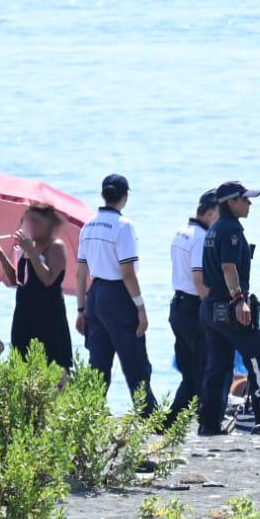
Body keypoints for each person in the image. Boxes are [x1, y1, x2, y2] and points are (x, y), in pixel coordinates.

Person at [199, 180, 260, 435]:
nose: (249, 203)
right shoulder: (231, 230)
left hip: (211, 308)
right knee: (259, 358)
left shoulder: (213, 229)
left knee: (218, 367)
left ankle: (209, 423)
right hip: (230, 307)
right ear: (231, 202)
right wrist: (238, 300)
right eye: (245, 199)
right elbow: (228, 268)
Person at [76, 174, 156, 414]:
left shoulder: (88, 225)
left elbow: (81, 273)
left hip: (95, 294)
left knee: (98, 362)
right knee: (135, 361)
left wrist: (81, 310)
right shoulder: (124, 226)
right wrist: (141, 308)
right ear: (125, 196)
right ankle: (148, 415)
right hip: (118, 295)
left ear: (103, 194)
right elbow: (128, 272)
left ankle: (89, 414)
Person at [0, 204, 73, 369]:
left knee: (54, 365)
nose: (25, 226)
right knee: (23, 364)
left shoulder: (56, 247)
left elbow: (49, 279)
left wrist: (31, 251)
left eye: (33, 222)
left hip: (48, 316)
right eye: (24, 221)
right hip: (24, 314)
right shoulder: (21, 250)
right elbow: (17, 281)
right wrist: (1, 253)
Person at [168, 190, 218, 418]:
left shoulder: (181, 232)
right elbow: (199, 281)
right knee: (201, 365)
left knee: (189, 368)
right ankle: (204, 415)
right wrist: (212, 305)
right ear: (209, 213)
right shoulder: (200, 237)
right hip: (191, 307)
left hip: (177, 304)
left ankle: (172, 418)